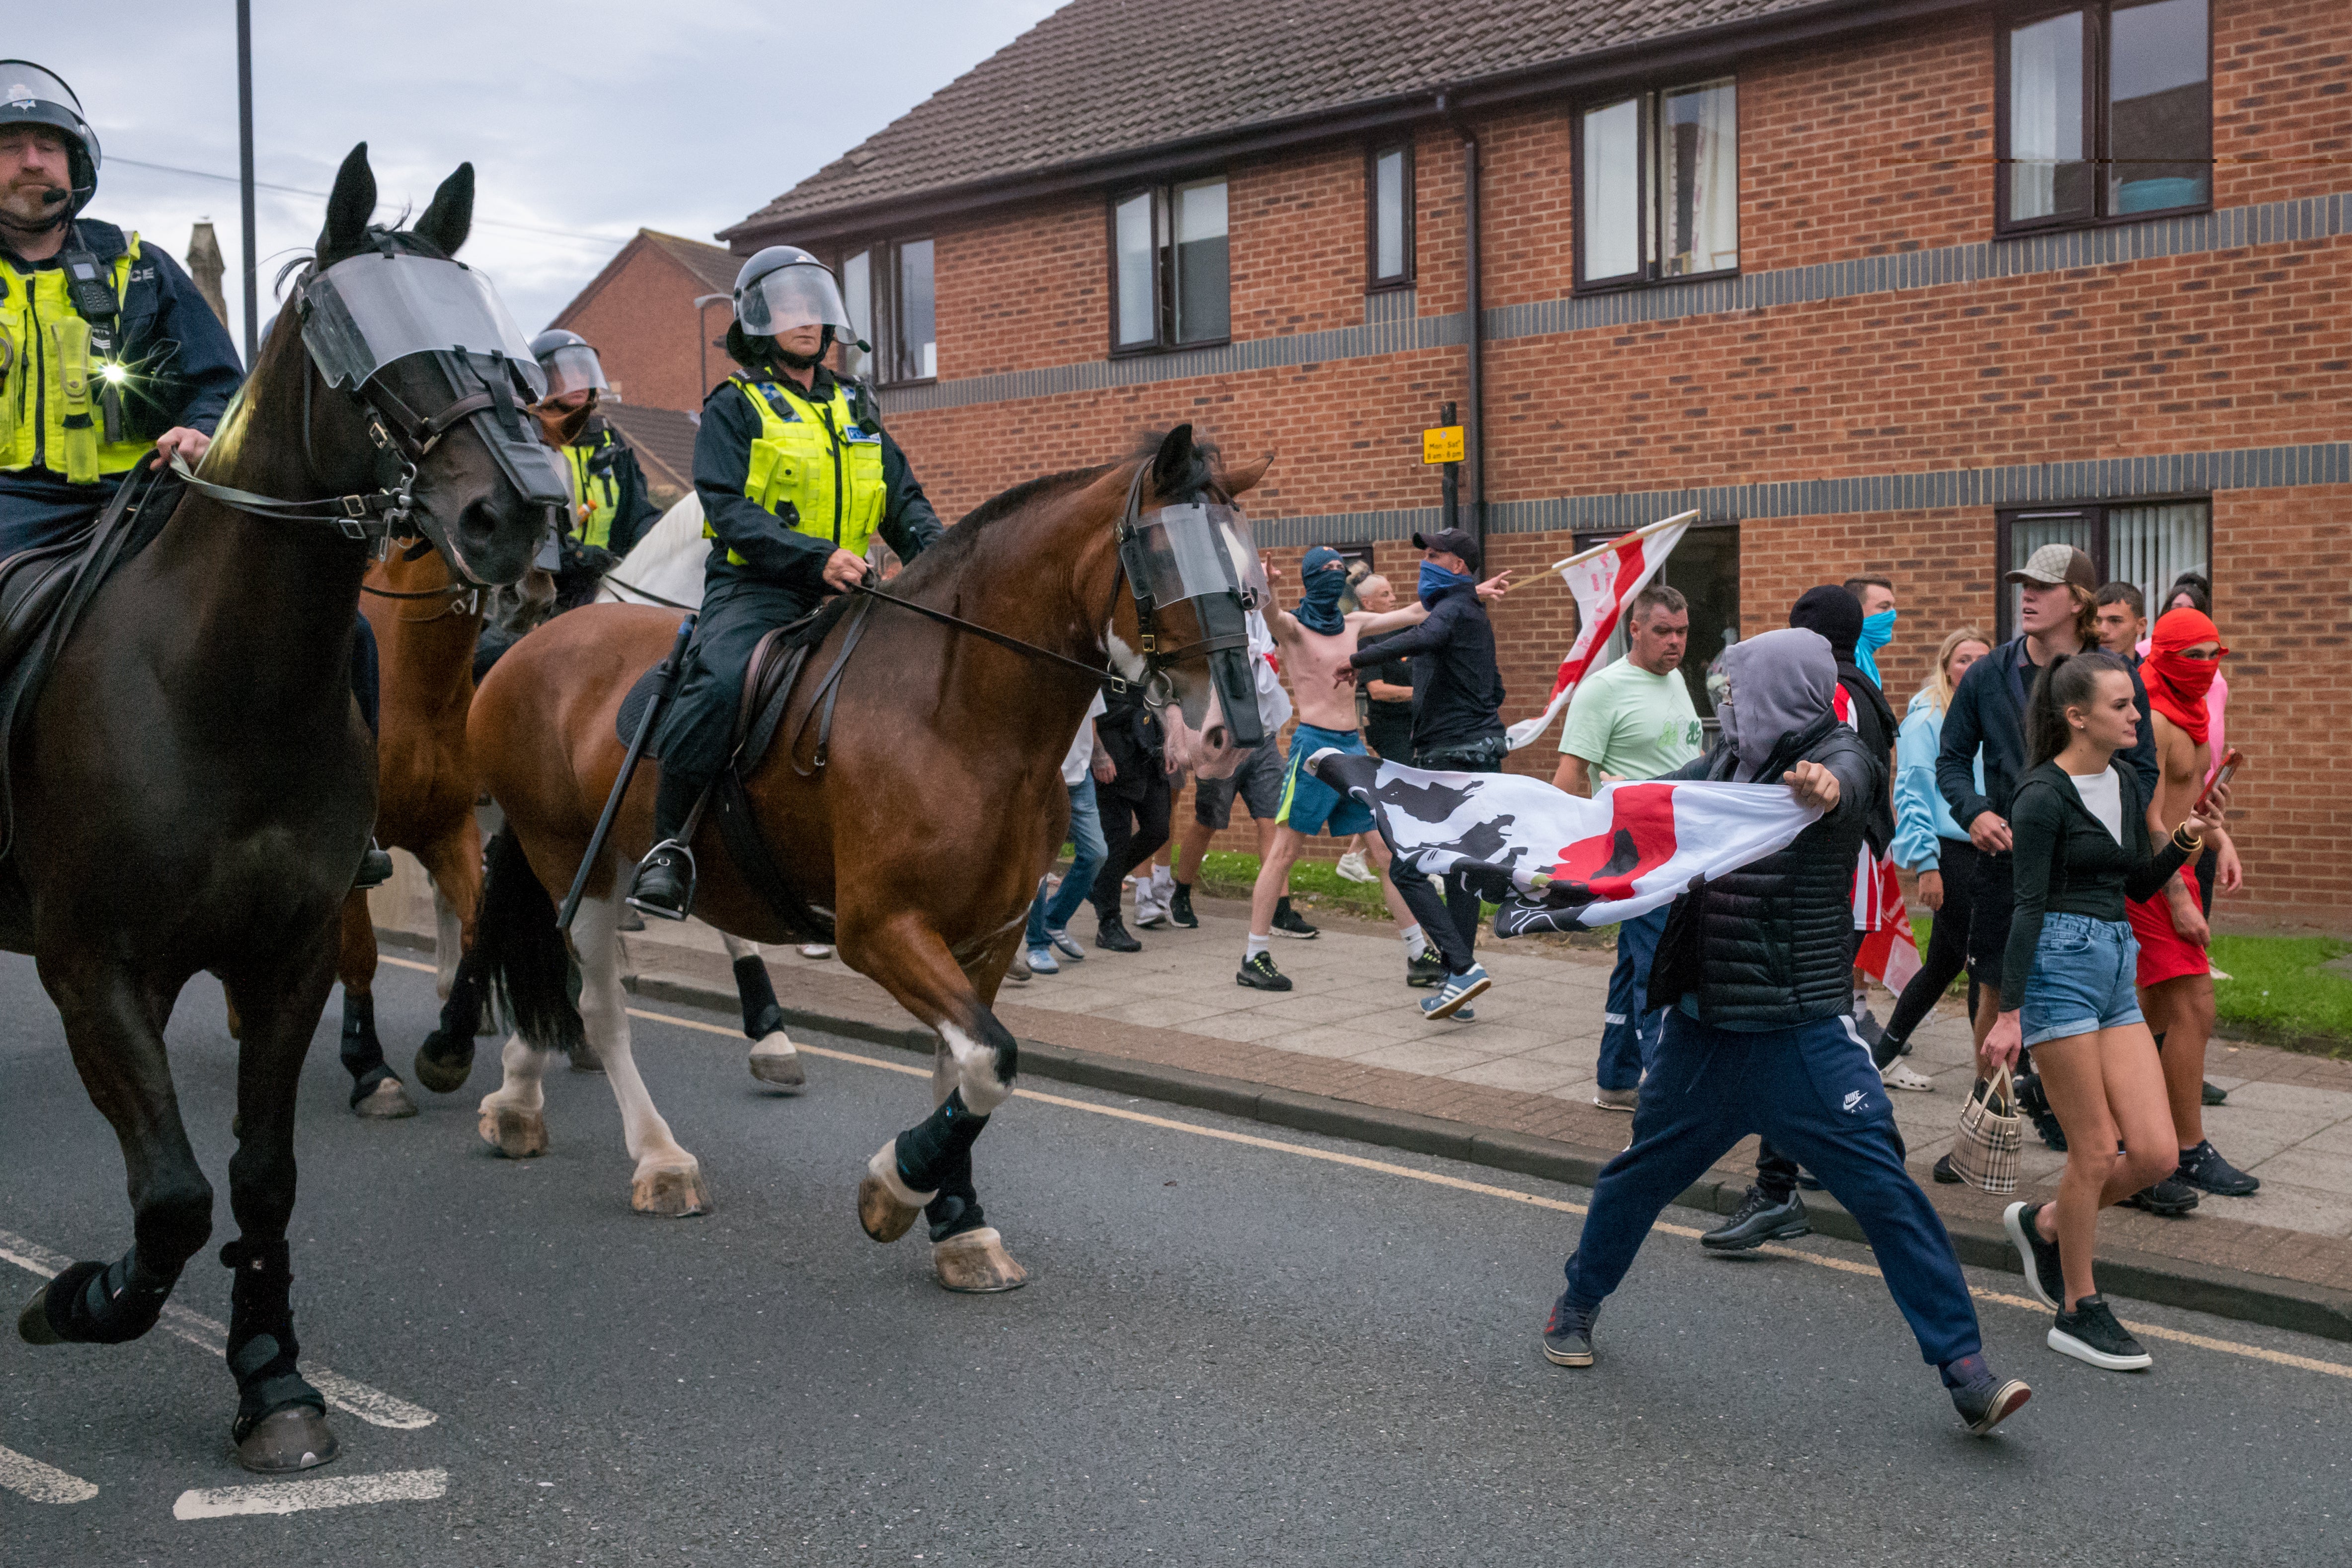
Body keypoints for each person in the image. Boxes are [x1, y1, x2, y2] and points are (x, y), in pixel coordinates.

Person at [1540, 627, 2031, 1438]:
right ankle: (1575, 1303)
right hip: (1701, 1036)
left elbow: (1847, 779)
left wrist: (1822, 787)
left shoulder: (1838, 752)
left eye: (1739, 688)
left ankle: (1965, 1371)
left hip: (1801, 1039)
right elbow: (1648, 809)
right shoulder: (1727, 761)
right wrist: (1543, 842)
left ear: (1782, 689)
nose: (1727, 703)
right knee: (1635, 1179)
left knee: (1886, 1194)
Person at [629, 247, 941, 918]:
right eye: (790, 306)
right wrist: (813, 558)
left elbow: (903, 500)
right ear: (760, 320)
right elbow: (727, 508)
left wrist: (944, 559)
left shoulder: (857, 406)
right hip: (758, 590)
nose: (806, 319)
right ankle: (669, 846)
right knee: (719, 680)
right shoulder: (734, 407)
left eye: (815, 305)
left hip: (853, 591)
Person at [1987, 650, 2229, 1371]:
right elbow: (2025, 907)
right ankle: (2076, 1308)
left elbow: (2135, 883)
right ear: (2076, 717)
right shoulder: (2038, 796)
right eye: (2123, 706)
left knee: (2155, 1155)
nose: (2136, 716)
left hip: (2114, 963)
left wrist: (2190, 836)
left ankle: (2049, 1222)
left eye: (2135, 703)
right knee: (2094, 1151)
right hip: (2056, 966)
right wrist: (2009, 1013)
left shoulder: (2123, 782)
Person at [1935, 544, 2192, 1211]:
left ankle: (2098, 1141)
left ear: (2076, 601)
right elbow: (1951, 760)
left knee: (2102, 995)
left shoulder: (2110, 675)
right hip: (2006, 855)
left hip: (2088, 869)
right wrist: (1976, 812)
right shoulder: (1989, 673)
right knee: (1994, 991)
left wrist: (2097, 817)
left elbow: (2139, 765)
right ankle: (1989, 1126)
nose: (2025, 595)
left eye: (2042, 587)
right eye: (2021, 584)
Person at [1706, 582, 1899, 1250]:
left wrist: (1827, 788)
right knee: (1819, 1023)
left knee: (1803, 1024)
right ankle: (1826, 1160)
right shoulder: (1866, 684)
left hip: (1819, 884)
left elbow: (1837, 772)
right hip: (1852, 872)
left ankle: (1780, 1185)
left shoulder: (1827, 696)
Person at [0, 64, 243, 554]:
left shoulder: (142, 268)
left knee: (331, 622)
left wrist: (201, 432)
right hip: (9, 507)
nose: (31, 162)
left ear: (74, 165)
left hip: (146, 499)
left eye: (48, 147)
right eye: (9, 147)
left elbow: (220, 387)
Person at [1236, 548, 1503, 994]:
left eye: (1341, 569)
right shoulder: (1295, 630)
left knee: (1386, 853)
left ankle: (1419, 953)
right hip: (1314, 748)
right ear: (1308, 580)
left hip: (1353, 747)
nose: (1335, 575)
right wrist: (1267, 584)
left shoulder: (1354, 624)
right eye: (1325, 571)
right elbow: (1272, 614)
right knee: (1284, 851)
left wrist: (1471, 592)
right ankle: (1254, 954)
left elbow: (1416, 612)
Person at [1341, 528, 1507, 1019]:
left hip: (1450, 760)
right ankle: (1461, 982)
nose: (1426, 562)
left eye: (1435, 555)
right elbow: (1495, 689)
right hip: (1482, 756)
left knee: (1406, 868)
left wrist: (1357, 659)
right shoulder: (1472, 614)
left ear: (1457, 567)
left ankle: (1462, 966)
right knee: (1460, 873)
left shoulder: (1451, 613)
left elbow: (1426, 635)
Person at [1549, 584, 1701, 1111]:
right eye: (1663, 631)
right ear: (1634, 630)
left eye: (1682, 632)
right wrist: (1552, 859)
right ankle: (1665, 1097)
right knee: (1662, 969)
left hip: (1682, 849)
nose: (1675, 642)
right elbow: (1569, 778)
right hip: (1639, 855)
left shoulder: (1677, 677)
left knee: (1635, 967)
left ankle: (1616, 1081)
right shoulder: (1603, 690)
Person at [2128, 606, 2256, 1196]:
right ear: (2165, 659)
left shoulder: (2193, 709)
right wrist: (2180, 898)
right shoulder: (2152, 718)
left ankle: (2138, 1138)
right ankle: (2186, 1148)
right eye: (2193, 657)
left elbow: (2191, 802)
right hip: (2156, 880)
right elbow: (2149, 817)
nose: (2206, 667)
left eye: (2214, 656)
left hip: (2179, 868)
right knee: (2196, 1008)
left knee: (2152, 1014)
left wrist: (2220, 836)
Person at [1161, 600, 1315, 938]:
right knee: (1207, 822)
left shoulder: (1260, 617)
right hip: (1222, 739)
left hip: (1262, 738)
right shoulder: (1210, 620)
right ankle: (1181, 895)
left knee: (1272, 821)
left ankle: (1281, 911)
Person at [1881, 627, 1992, 1081]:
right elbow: (1911, 793)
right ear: (1947, 666)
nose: (1973, 667)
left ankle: (1878, 1059)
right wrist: (1927, 864)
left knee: (1945, 962)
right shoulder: (1928, 717)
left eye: (1982, 659)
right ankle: (1998, 1076)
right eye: (1964, 659)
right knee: (1983, 960)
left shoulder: (1993, 712)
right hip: (1951, 852)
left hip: (1989, 848)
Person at [529, 329, 661, 603]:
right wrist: (575, 556)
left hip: (603, 583)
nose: (578, 380)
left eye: (583, 371)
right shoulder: (528, 442)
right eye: (566, 372)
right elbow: (522, 528)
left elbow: (637, 511)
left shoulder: (609, 439)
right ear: (541, 379)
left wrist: (661, 535)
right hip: (540, 592)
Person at [1337, 572, 1414, 887]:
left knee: (1393, 793)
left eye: (1393, 593)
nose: (1393, 599)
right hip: (1389, 728)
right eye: (1385, 595)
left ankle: (1353, 856)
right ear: (1367, 603)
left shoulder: (1406, 632)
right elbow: (1379, 690)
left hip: (1414, 726)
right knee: (1401, 793)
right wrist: (1422, 694)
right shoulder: (1368, 641)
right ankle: (1407, 863)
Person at [1023, 694, 1110, 975]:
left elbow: (1092, 719)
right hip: (1045, 773)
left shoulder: (1090, 669)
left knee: (1097, 853)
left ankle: (1055, 918)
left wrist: (1099, 755)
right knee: (1041, 862)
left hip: (1079, 775)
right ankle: (1037, 945)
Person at [1088, 677, 1171, 951]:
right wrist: (1097, 752)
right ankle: (1109, 924)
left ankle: (1100, 885)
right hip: (1112, 745)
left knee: (1159, 829)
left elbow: (1169, 697)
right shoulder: (1105, 650)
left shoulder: (1151, 653)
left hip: (1147, 743)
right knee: (1117, 839)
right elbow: (1085, 706)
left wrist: (1170, 740)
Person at [1847, 573, 1897, 691]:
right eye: (1884, 607)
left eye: (1892, 607)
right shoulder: (1852, 655)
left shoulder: (1864, 653)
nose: (1893, 615)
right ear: (1856, 609)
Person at [2094, 582, 2147, 658]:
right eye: (2097, 621)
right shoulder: (2075, 669)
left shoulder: (2149, 670)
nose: (2103, 630)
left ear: (2141, 626)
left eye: (2115, 621)